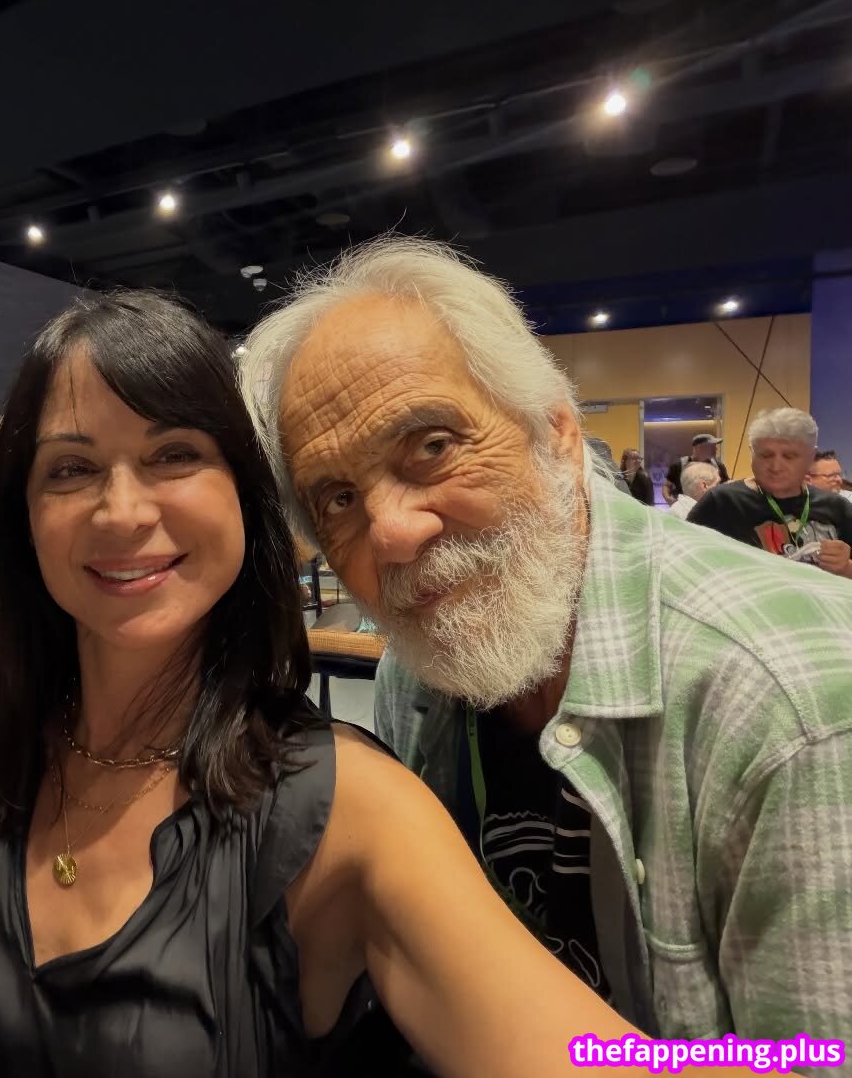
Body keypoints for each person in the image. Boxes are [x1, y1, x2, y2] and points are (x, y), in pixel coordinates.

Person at [0, 289, 758, 1078]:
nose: (123, 512)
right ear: (24, 514)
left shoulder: (348, 808)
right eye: (71, 469)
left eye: (175, 454)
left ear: (246, 500)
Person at [240, 235, 852, 1070]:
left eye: (432, 446)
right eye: (339, 497)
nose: (392, 534)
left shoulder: (794, 701)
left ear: (558, 433)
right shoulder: (417, 676)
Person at [688, 408, 852, 578]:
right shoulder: (722, 502)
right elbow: (683, 565)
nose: (775, 467)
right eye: (766, 455)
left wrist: (846, 567)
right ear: (752, 453)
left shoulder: (837, 507)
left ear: (811, 457)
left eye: (789, 456)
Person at [663, 432, 729, 504]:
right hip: (685, 506)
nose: (716, 449)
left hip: (711, 506)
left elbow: (726, 484)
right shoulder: (679, 465)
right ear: (699, 447)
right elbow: (667, 486)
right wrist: (668, 499)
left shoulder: (718, 465)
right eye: (711, 446)